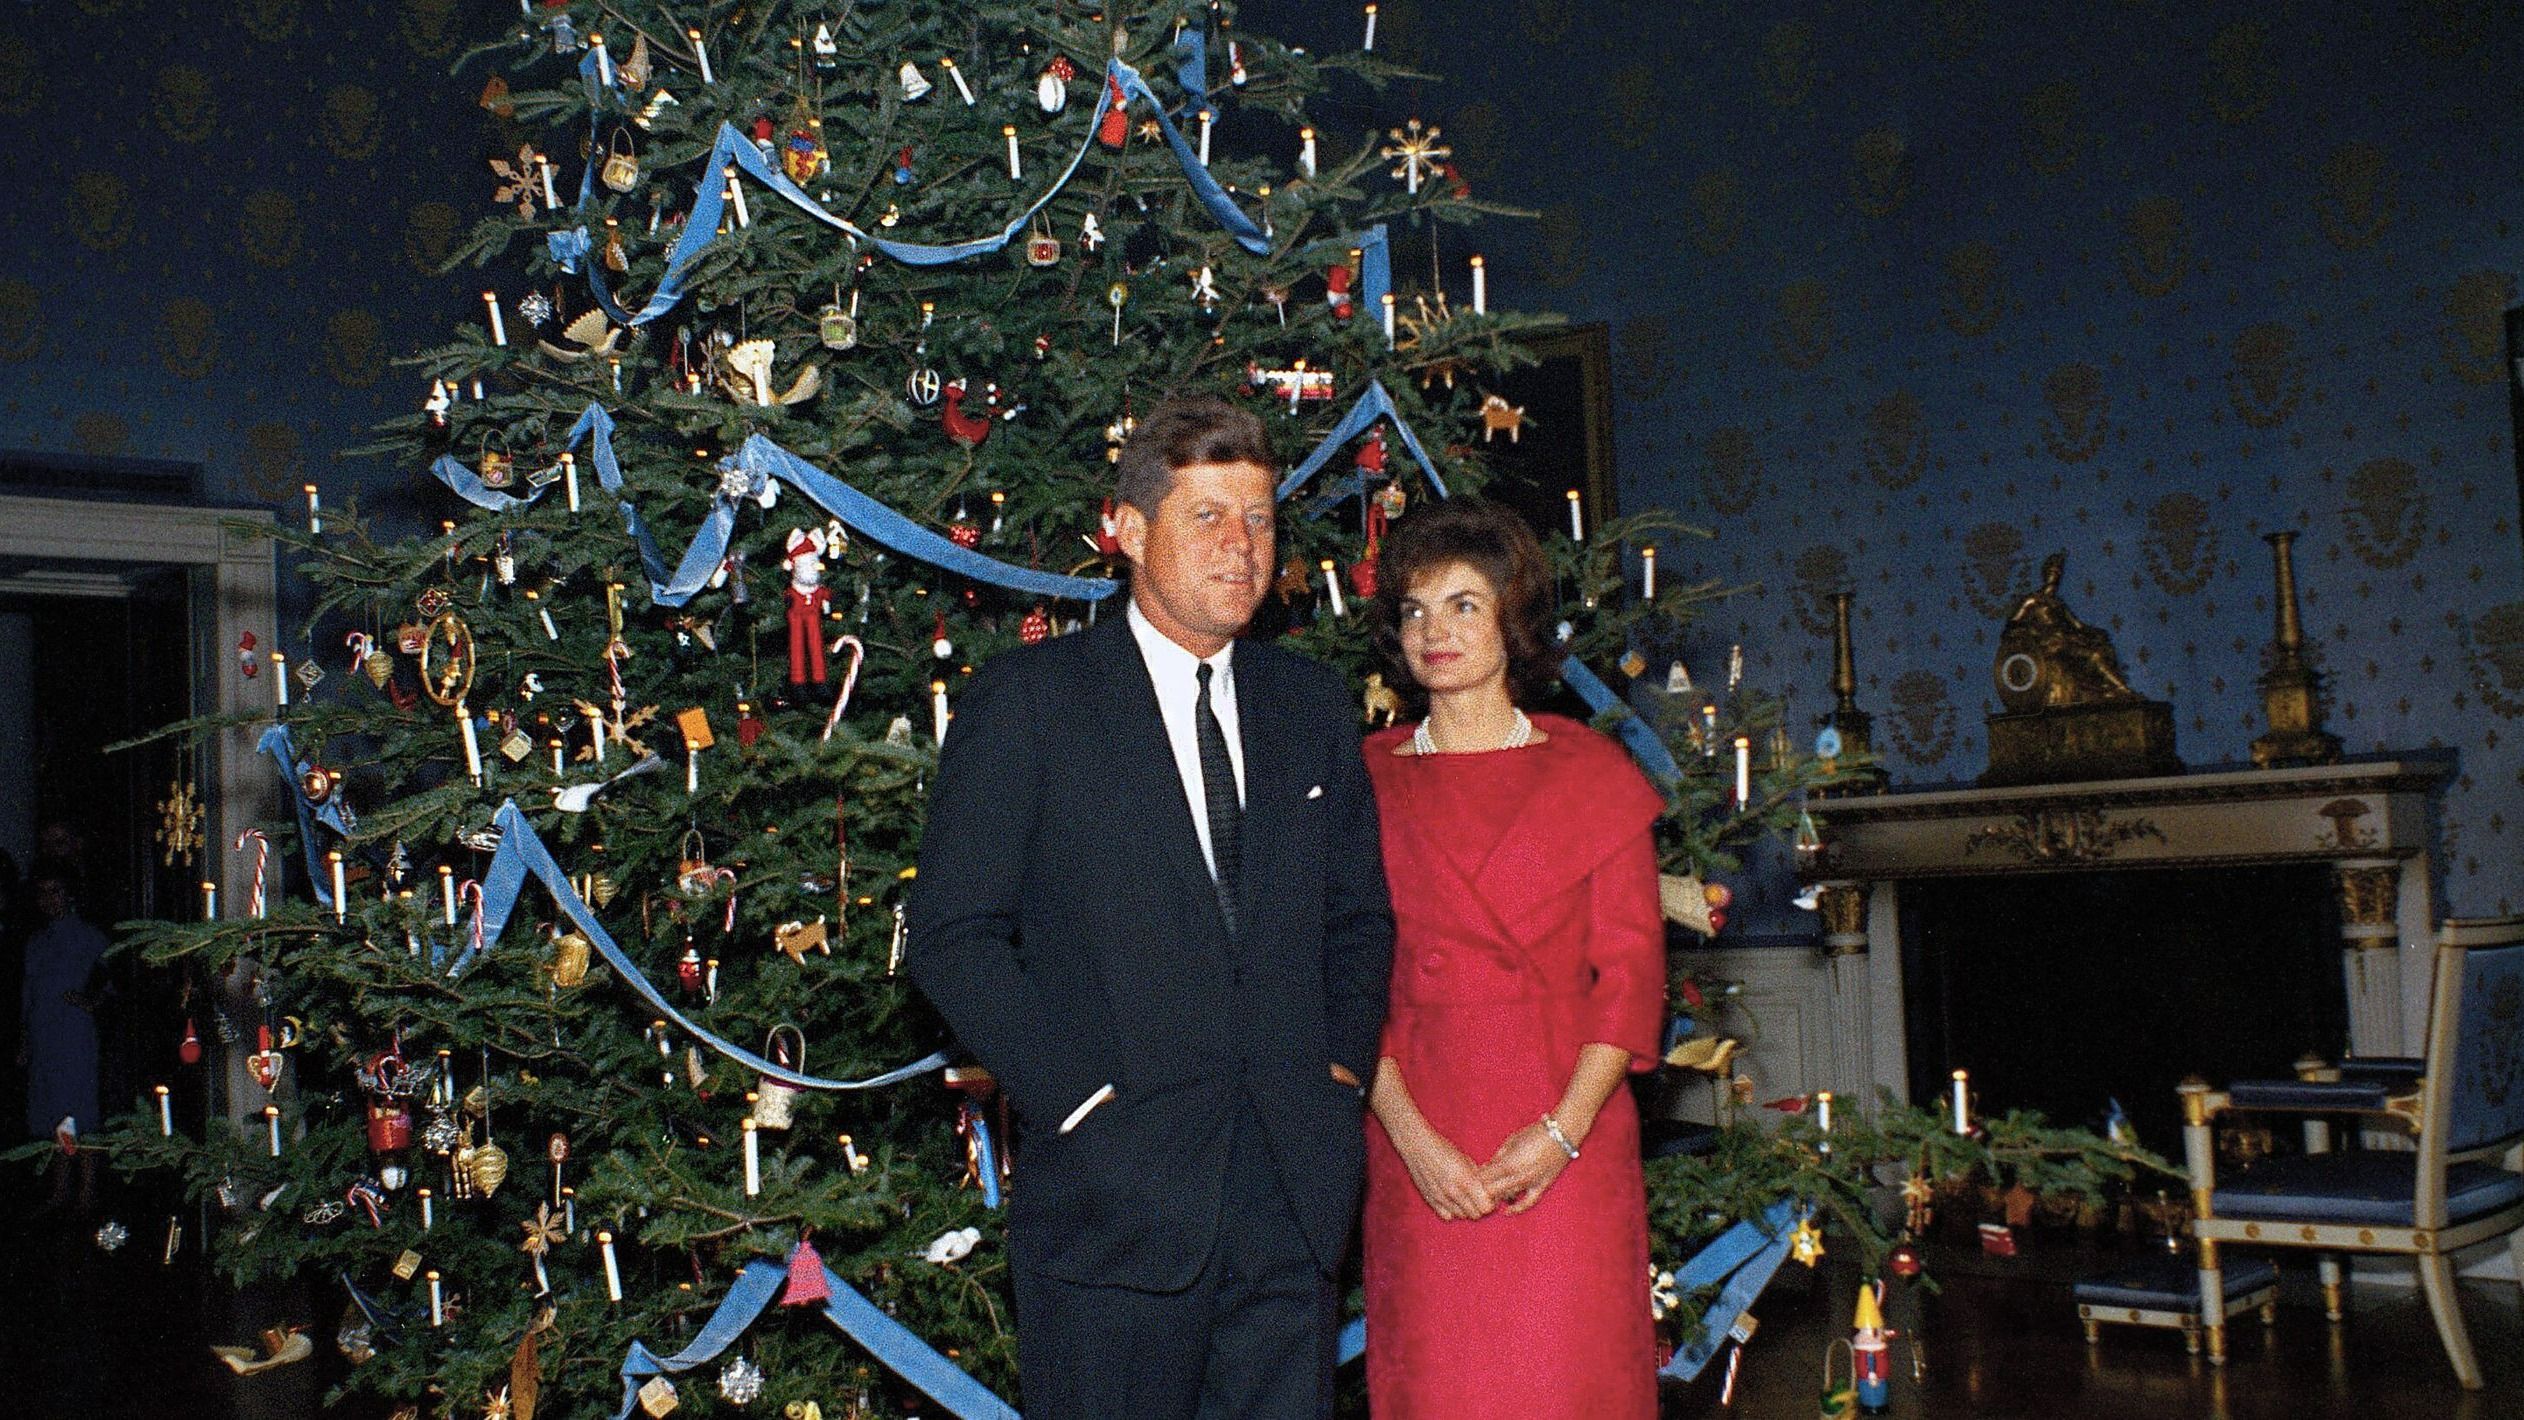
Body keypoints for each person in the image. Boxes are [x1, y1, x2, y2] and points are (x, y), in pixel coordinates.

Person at [908, 395, 1395, 1420]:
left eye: (1259, 517)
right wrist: (1078, 1104)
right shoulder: (1030, 703)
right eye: (1206, 515)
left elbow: (1359, 919)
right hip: (1109, 1209)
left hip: (1287, 1203)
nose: (1240, 545)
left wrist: (1338, 1073)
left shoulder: (1309, 705)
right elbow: (955, 938)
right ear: (1126, 529)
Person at [1358, 497, 1667, 1420]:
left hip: (1565, 1143)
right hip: (1419, 1135)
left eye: (1462, 605)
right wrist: (1412, 1140)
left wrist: (1562, 1132)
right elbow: (1336, 982)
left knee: (1566, 1384)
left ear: (1513, 620)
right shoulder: (1358, 783)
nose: (1433, 631)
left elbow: (1631, 981)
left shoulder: (1594, 777)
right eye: (1414, 610)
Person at [20, 863, 109, 1212]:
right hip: (45, 1035)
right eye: (43, 893)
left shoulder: (88, 936)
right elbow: (28, 994)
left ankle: (87, 1188)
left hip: (75, 1033)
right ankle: (61, 1187)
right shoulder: (36, 942)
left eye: (55, 891)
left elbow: (114, 979)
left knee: (80, 1109)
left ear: (68, 894)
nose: (48, 899)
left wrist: (91, 1002)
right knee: (55, 1110)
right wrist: (25, 1040)